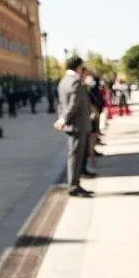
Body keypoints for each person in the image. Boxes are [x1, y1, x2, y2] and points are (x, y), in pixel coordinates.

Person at [55, 56, 92, 198]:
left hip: (71, 124)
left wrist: (62, 118)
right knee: (76, 156)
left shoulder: (63, 81)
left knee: (74, 155)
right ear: (78, 67)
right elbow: (73, 104)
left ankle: (75, 184)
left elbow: (61, 103)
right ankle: (74, 186)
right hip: (78, 124)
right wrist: (64, 118)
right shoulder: (75, 81)